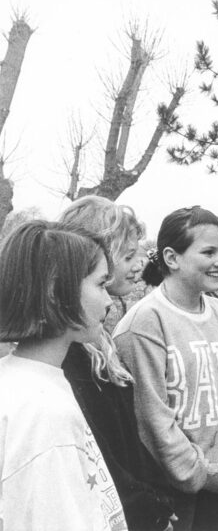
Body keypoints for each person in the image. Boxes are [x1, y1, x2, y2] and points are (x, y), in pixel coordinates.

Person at [113, 206, 218, 531]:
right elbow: (153, 421)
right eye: (209, 251)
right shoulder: (144, 325)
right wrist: (206, 475)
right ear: (172, 257)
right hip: (168, 493)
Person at [0, 220, 127, 530]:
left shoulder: (19, 379)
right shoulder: (43, 412)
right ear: (57, 290)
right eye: (99, 284)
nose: (109, 300)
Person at [59, 196, 176, 531]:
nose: (141, 262)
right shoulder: (73, 352)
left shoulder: (98, 340)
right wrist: (149, 508)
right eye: (128, 255)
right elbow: (101, 451)